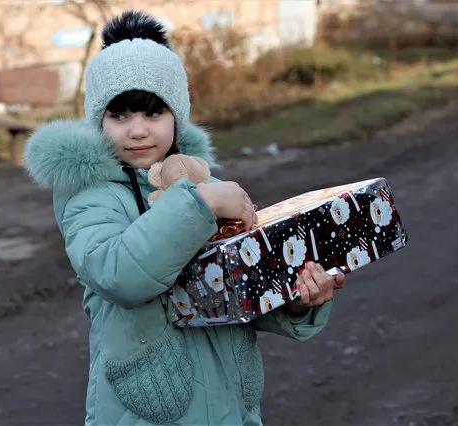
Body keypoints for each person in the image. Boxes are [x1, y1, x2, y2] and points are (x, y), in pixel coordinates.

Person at [24, 10, 345, 426]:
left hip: (231, 407)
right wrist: (202, 205)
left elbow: (238, 286)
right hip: (147, 410)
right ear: (98, 120)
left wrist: (298, 299)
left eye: (153, 113)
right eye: (119, 115)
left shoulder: (201, 183)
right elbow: (120, 273)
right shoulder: (92, 195)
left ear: (178, 116)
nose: (137, 130)